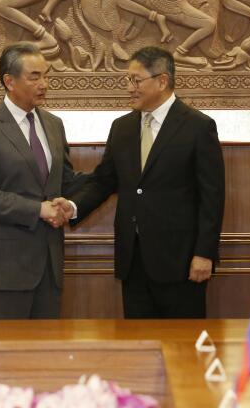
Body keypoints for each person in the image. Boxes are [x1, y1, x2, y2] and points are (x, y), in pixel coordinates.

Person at [59, 46, 224, 318]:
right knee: (140, 345)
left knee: (182, 349)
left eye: (136, 80)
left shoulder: (198, 127)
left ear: (162, 81)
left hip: (181, 262)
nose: (129, 88)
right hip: (133, 261)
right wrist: (73, 207)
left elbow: (212, 197)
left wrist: (204, 253)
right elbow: (104, 181)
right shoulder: (122, 127)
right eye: (127, 80)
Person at [0, 42, 83, 319]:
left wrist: (70, 202)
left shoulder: (54, 124)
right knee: (6, 357)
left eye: (46, 75)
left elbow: (64, 180)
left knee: (46, 355)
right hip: (7, 269)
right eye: (35, 76)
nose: (44, 84)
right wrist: (38, 209)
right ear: (9, 81)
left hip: (50, 267)